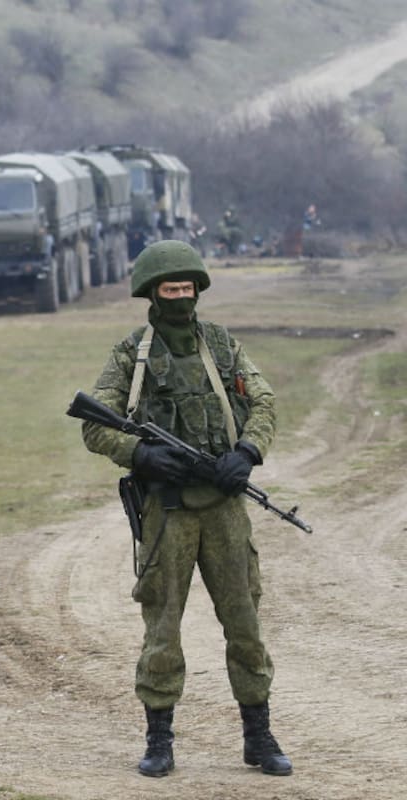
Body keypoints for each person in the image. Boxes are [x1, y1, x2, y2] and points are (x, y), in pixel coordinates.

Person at [79, 239, 293, 779]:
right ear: (152, 293)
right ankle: (159, 739)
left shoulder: (222, 346)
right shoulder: (132, 355)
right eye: (170, 289)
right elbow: (95, 423)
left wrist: (246, 452)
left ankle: (259, 735)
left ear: (198, 289)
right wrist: (142, 454)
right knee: (162, 626)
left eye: (187, 288)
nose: (180, 297)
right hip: (167, 511)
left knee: (244, 621)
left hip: (224, 507)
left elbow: (263, 400)